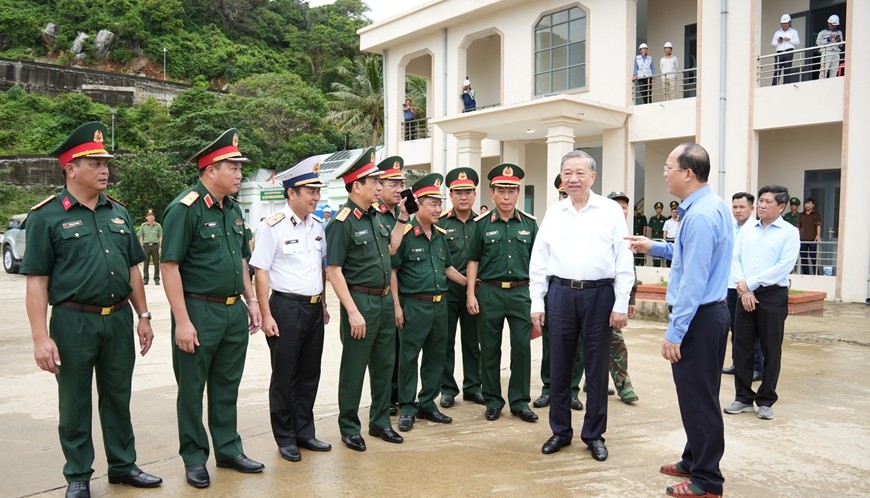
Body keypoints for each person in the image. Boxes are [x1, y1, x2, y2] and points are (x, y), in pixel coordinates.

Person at [22, 121, 162, 498]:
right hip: (72, 321)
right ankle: (78, 474)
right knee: (74, 400)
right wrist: (41, 338)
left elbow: (134, 266)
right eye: (95, 162)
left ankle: (122, 464)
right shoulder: (46, 217)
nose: (105, 170)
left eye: (105, 163)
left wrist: (143, 316)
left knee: (118, 395)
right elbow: (36, 281)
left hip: (117, 318)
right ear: (70, 168)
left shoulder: (118, 212)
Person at [625, 142, 732, 498]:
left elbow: (693, 281)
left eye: (668, 167)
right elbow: (687, 253)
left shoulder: (700, 215)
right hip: (710, 314)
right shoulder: (709, 206)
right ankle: (693, 458)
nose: (664, 173)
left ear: (688, 173)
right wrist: (652, 246)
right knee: (699, 394)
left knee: (699, 398)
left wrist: (675, 333)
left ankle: (707, 480)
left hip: (699, 317)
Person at [161, 128, 264, 488]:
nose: (239, 174)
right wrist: (182, 321)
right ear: (209, 170)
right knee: (191, 389)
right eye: (232, 167)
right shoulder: (184, 208)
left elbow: (241, 260)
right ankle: (194, 457)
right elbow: (169, 265)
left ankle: (228, 449)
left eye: (239, 167)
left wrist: (251, 301)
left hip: (233, 311)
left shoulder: (232, 210)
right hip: (198, 311)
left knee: (226, 386)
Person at [529, 151, 633, 462]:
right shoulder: (555, 212)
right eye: (567, 173)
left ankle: (594, 434)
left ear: (592, 177)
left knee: (597, 367)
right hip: (560, 295)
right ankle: (560, 431)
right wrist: (538, 300)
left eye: (579, 173)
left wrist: (621, 303)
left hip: (599, 296)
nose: (573, 179)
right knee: (559, 365)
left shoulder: (610, 212)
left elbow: (623, 260)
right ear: (561, 178)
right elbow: (539, 261)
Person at [325, 147, 408, 452]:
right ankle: (349, 426)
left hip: (385, 302)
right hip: (360, 303)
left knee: (385, 366)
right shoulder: (341, 222)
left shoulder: (376, 217)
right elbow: (333, 270)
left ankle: (380, 422)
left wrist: (401, 219)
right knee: (354, 368)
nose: (378, 185)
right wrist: (352, 311)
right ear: (356, 185)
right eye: (372, 180)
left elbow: (390, 250)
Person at [249, 159, 331, 463]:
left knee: (310, 373)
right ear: (291, 193)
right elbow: (261, 271)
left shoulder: (319, 226)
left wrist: (322, 303)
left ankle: (304, 432)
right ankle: (285, 438)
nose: (315, 196)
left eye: (317, 190)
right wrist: (267, 314)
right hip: (285, 307)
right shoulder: (272, 227)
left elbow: (320, 269)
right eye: (309, 190)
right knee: (285, 375)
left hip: (312, 308)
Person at [392, 173, 467, 432]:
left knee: (437, 356)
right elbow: (392, 271)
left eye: (439, 203)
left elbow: (448, 268)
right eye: (433, 204)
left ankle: (427, 404)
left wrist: (470, 284)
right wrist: (396, 306)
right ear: (418, 204)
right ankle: (408, 407)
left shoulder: (439, 235)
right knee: (409, 358)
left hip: (440, 305)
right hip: (414, 305)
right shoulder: (405, 234)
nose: (438, 209)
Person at [466, 163, 538, 424]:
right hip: (490, 293)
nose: (506, 196)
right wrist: (470, 294)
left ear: (517, 193)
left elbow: (538, 263)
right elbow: (472, 260)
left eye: (511, 191)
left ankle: (520, 402)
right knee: (490, 349)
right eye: (501, 191)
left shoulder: (530, 225)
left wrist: (539, 300)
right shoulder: (482, 224)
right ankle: (493, 401)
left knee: (521, 349)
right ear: (492, 193)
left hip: (521, 293)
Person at [725, 185, 800, 421]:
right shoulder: (747, 230)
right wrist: (743, 289)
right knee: (742, 347)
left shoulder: (789, 232)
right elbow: (734, 258)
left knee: (771, 349)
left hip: (772, 296)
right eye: (760, 201)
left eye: (768, 202)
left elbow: (783, 267)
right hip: (744, 294)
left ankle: (766, 399)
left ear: (781, 206)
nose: (762, 205)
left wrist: (751, 284)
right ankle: (743, 398)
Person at [533, 174, 585, 413]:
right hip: (556, 291)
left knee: (579, 349)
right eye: (563, 194)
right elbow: (540, 259)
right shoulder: (553, 216)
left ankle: (572, 391)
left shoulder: (591, 217)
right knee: (551, 346)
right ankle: (548, 389)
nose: (567, 197)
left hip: (585, 293)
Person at [437, 167, 485, 409]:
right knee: (445, 342)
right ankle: (447, 389)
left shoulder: (482, 223)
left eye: (468, 192)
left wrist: (473, 289)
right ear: (451, 195)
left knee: (472, 341)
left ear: (475, 195)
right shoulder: (441, 223)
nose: (463, 197)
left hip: (476, 292)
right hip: (447, 291)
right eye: (458, 192)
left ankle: (473, 387)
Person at [722, 192, 764, 380]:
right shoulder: (729, 228)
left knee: (751, 330)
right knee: (734, 327)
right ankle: (738, 363)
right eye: (735, 207)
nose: (737, 211)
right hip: (730, 285)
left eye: (742, 207)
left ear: (751, 208)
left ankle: (757, 366)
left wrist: (748, 286)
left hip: (749, 287)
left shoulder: (757, 229)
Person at [375, 155, 405, 415]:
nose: (398, 189)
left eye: (400, 183)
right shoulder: (376, 216)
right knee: (385, 353)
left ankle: (398, 396)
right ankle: (386, 400)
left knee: (400, 350)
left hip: (408, 294)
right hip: (384, 294)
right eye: (392, 184)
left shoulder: (402, 214)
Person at [605, 191, 640, 404]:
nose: (621, 209)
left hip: (616, 299)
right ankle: (590, 382)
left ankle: (623, 385)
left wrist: (630, 299)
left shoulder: (627, 233)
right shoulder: (599, 229)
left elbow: (629, 271)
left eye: (624, 206)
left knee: (616, 343)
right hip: (597, 294)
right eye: (616, 205)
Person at [771, 14, 800, 85]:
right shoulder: (777, 33)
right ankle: (774, 85)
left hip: (788, 52)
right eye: (783, 24)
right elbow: (773, 44)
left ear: (789, 23)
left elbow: (797, 42)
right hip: (779, 52)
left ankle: (786, 84)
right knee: (777, 70)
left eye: (786, 23)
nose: (784, 25)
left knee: (787, 69)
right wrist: (778, 41)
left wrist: (789, 39)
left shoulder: (794, 32)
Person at [797, 197, 822, 275]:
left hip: (812, 239)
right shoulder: (801, 214)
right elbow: (798, 226)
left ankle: (816, 274)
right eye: (806, 203)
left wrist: (818, 235)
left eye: (809, 203)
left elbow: (818, 225)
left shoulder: (816, 214)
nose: (807, 205)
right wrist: (796, 236)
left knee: (813, 257)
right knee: (804, 258)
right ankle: (806, 274)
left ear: (813, 205)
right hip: (802, 239)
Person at [138, 208, 162, 285]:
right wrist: (141, 246)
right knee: (145, 263)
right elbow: (141, 236)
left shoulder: (158, 226)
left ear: (154, 217)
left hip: (155, 246)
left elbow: (161, 236)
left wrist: (160, 247)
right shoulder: (143, 226)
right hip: (146, 246)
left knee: (156, 263)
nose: (151, 217)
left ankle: (157, 279)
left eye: (152, 216)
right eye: (149, 216)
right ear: (146, 217)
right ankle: (145, 279)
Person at [816, 15, 843, 79]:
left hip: (836, 52)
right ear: (829, 23)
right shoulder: (822, 33)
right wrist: (828, 39)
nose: (834, 27)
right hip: (826, 51)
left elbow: (841, 44)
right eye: (832, 25)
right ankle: (821, 83)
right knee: (824, 70)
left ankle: (833, 83)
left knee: (834, 70)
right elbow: (818, 43)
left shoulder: (839, 32)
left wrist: (838, 40)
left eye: (835, 25)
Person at [648, 201, 667, 267]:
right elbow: (650, 229)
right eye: (657, 209)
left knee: (660, 252)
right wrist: (650, 238)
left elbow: (665, 229)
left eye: (660, 209)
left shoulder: (664, 218)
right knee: (654, 252)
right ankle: (655, 266)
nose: (658, 210)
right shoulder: (652, 218)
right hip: (654, 236)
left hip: (660, 236)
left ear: (661, 210)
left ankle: (660, 266)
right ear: (655, 210)